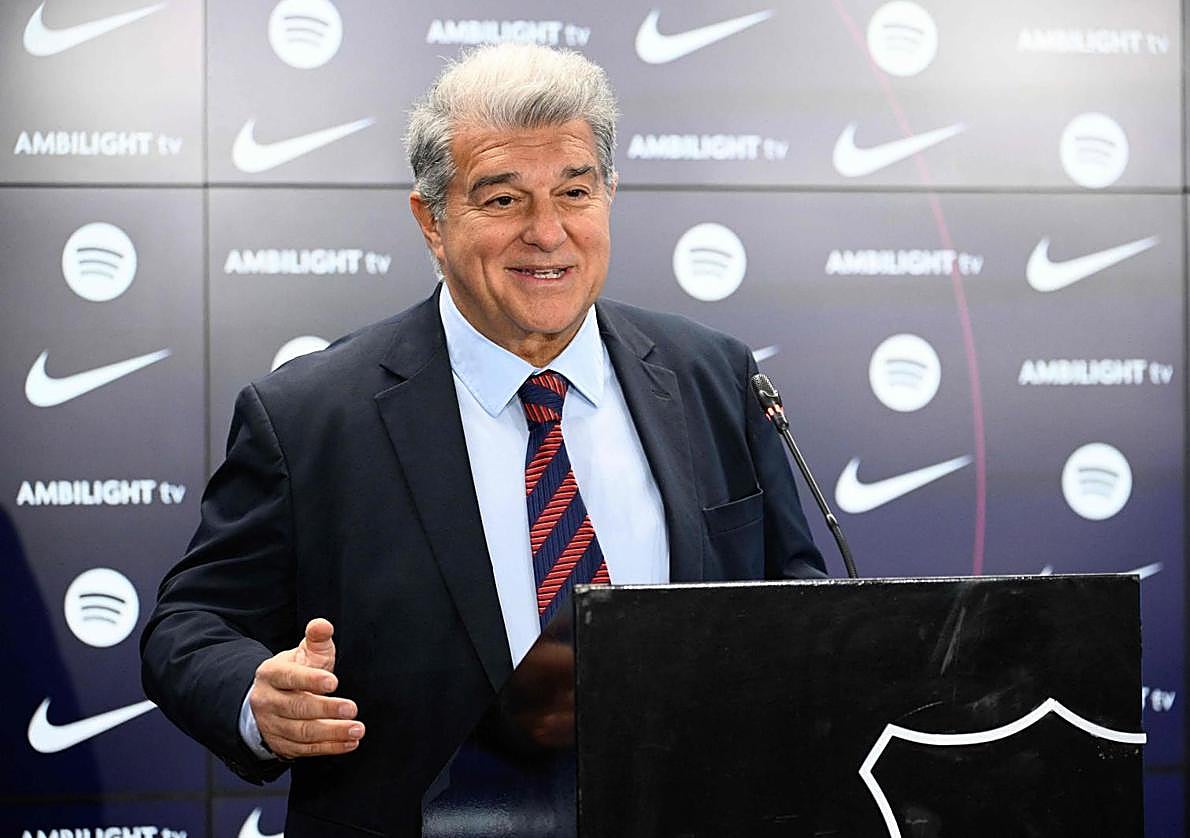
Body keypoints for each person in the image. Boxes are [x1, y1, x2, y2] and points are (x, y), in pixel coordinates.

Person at [141, 43, 824, 836]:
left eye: (574, 192)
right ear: (431, 220)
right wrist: (257, 697)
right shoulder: (308, 416)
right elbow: (188, 625)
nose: (548, 232)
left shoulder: (715, 375)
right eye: (503, 199)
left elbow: (796, 602)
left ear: (609, 194)